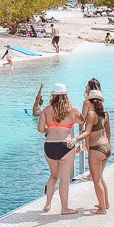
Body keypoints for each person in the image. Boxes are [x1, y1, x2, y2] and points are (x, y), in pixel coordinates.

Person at [37, 84, 83, 215]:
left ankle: (47, 204)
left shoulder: (46, 110)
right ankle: (64, 208)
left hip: (50, 145)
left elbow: (40, 129)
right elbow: (82, 120)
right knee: (64, 179)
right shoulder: (72, 110)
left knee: (53, 175)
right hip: (65, 145)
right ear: (66, 95)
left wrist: (50, 129)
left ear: (53, 96)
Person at [74, 89, 111, 214]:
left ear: (90, 101)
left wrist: (75, 139)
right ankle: (105, 203)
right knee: (100, 177)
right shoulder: (105, 113)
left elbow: (87, 132)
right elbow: (109, 132)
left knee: (96, 181)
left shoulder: (91, 114)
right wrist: (109, 146)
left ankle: (101, 209)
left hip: (96, 150)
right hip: (107, 147)